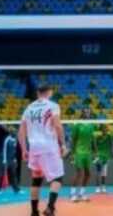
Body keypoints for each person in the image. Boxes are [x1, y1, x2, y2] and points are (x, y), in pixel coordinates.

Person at [18, 84, 67, 216]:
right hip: (49, 147)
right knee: (58, 178)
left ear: (38, 93)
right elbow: (58, 126)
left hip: (34, 148)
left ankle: (34, 212)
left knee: (36, 180)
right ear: (49, 92)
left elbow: (21, 131)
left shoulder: (28, 108)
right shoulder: (52, 106)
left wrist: (24, 149)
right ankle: (50, 208)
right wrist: (63, 144)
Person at [70, 109, 96, 202]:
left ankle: (82, 193)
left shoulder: (91, 126)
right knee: (79, 173)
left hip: (88, 153)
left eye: (88, 112)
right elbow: (73, 140)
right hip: (78, 152)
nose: (87, 113)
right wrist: (72, 154)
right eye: (85, 112)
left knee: (88, 174)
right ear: (82, 114)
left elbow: (93, 140)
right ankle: (73, 194)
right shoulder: (77, 125)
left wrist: (95, 153)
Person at [0, 128, 21, 194]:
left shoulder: (15, 139)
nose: (15, 133)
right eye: (14, 132)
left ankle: (16, 189)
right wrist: (4, 160)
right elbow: (4, 150)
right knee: (1, 174)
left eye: (16, 132)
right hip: (3, 159)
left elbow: (14, 150)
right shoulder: (7, 139)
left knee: (13, 174)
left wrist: (15, 159)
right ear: (10, 133)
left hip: (11, 159)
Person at [93, 124, 113, 194]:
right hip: (99, 156)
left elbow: (111, 146)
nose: (105, 130)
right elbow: (95, 146)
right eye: (103, 129)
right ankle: (97, 187)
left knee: (104, 173)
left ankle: (103, 187)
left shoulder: (109, 137)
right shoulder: (98, 137)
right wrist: (95, 155)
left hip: (106, 157)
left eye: (106, 129)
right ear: (101, 130)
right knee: (98, 172)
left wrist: (110, 155)